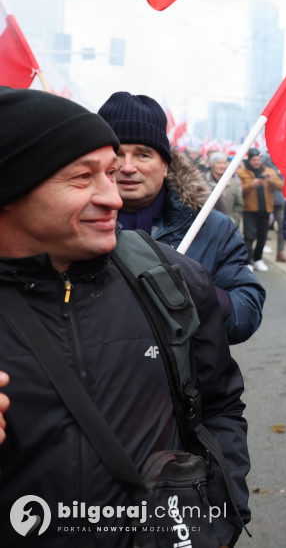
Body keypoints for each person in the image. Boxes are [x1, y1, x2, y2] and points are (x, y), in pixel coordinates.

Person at [0, 88, 250, 546]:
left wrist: (219, 517)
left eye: (110, 173)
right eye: (82, 178)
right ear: (11, 191)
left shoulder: (169, 277)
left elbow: (219, 406)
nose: (113, 197)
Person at [97, 91, 265, 344]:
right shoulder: (70, 226)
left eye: (143, 154)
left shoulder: (211, 228)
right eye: (117, 154)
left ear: (165, 165)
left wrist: (192, 289)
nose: (128, 167)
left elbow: (246, 314)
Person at [236, 148, 284, 271]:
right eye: (254, 159)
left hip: (266, 210)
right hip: (249, 210)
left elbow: (281, 186)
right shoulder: (242, 172)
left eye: (258, 159)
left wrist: (271, 180)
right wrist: (252, 185)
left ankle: (258, 259)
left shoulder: (269, 171)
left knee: (262, 236)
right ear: (249, 160)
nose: (256, 162)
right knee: (249, 236)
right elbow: (239, 190)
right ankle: (248, 261)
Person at [206, 151, 244, 229]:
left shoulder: (233, 182)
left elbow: (239, 203)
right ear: (212, 164)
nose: (222, 166)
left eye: (224, 163)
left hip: (229, 225)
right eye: (218, 163)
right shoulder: (204, 181)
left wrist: (234, 219)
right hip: (208, 225)